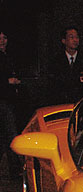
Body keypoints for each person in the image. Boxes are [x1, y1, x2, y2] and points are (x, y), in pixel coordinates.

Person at [46, 26, 83, 105]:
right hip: (62, 103)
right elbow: (52, 86)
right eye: (71, 37)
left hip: (82, 103)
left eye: (77, 37)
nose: (75, 40)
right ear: (64, 40)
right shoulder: (55, 62)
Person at [0, 29, 22, 179]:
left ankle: (14, 168)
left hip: (9, 99)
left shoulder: (8, 56)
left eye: (4, 38)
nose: (2, 41)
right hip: (3, 99)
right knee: (10, 132)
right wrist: (7, 81)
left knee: (7, 135)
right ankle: (15, 168)